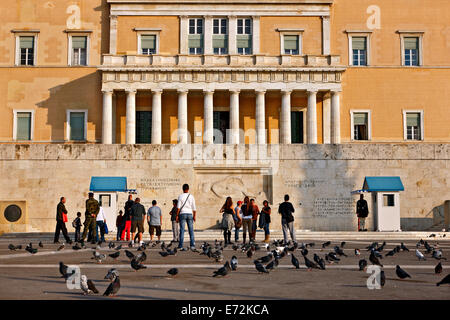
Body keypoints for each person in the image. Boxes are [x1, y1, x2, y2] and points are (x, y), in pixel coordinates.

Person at [176, 183, 196, 251]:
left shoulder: (180, 196)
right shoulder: (191, 196)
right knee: (191, 230)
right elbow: (194, 208)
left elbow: (178, 207)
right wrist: (194, 216)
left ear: (183, 189)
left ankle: (180, 245)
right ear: (188, 189)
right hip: (190, 213)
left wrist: (177, 215)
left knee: (182, 230)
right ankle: (192, 245)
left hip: (182, 214)